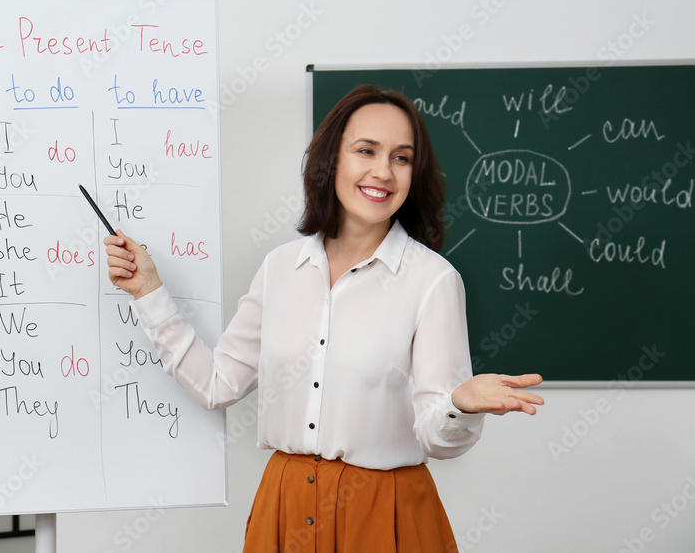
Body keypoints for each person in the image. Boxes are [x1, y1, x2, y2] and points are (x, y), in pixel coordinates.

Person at [103, 84, 544, 552]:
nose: (383, 171)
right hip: (285, 506)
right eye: (366, 150)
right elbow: (217, 385)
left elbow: (440, 439)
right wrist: (149, 292)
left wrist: (461, 403)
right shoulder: (280, 268)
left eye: (401, 157)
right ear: (332, 158)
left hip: (383, 514)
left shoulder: (433, 280)